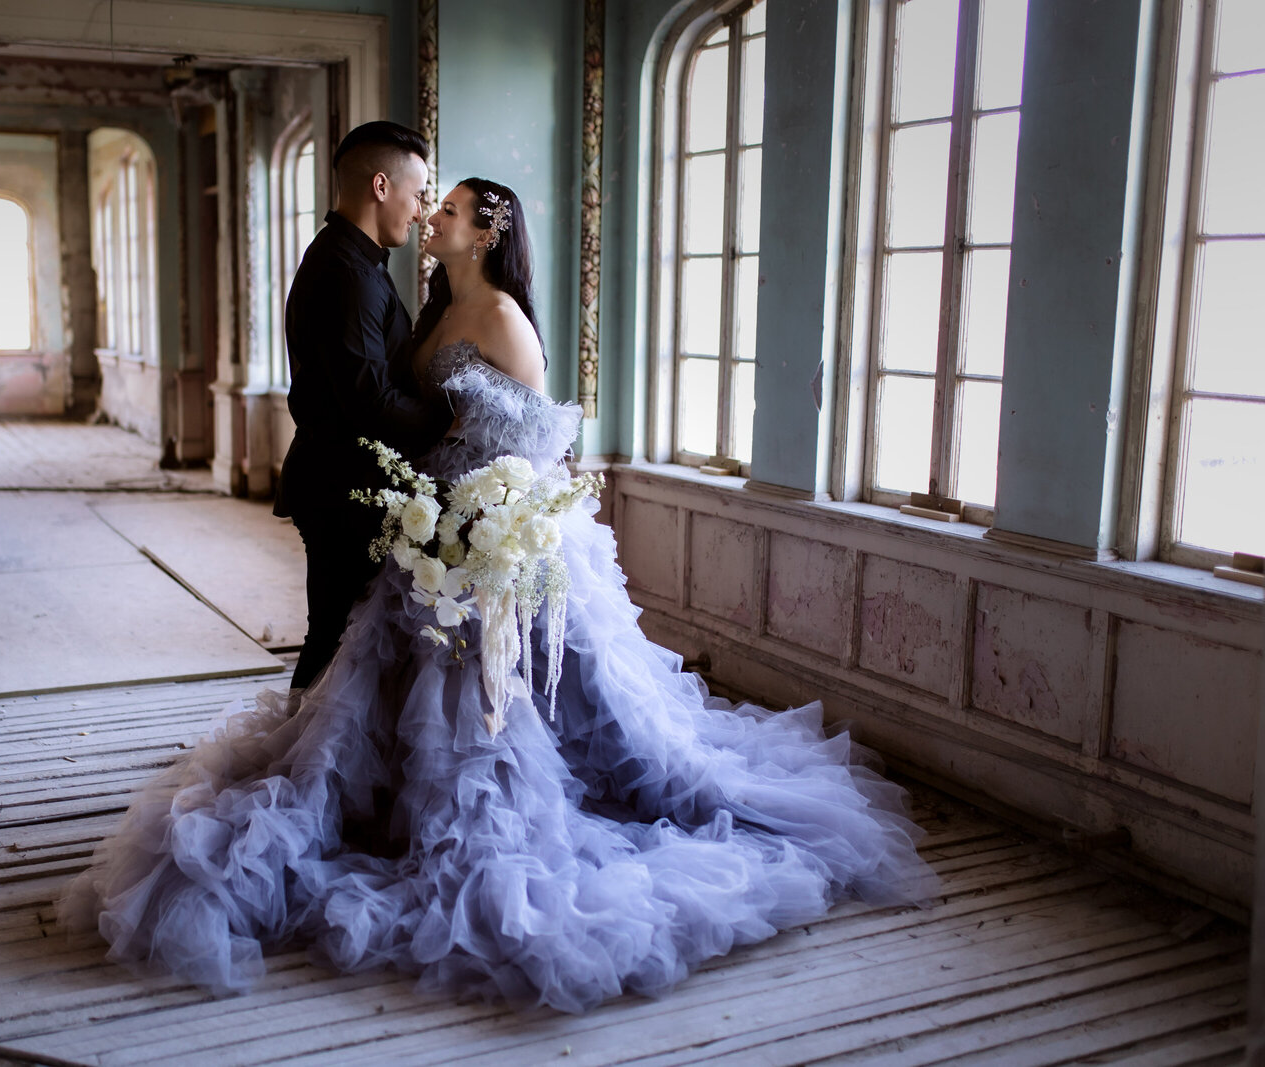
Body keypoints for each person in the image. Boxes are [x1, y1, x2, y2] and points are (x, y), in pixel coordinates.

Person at [63, 178, 938, 1014]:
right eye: (431, 204)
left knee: (497, 708)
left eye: (450, 211)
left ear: (487, 233)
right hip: (429, 530)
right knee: (374, 693)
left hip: (489, 536)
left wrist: (491, 531)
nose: (434, 217)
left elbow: (527, 445)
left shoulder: (505, 321)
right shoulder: (437, 310)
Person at [275, 120, 453, 691]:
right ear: (382, 186)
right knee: (334, 636)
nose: (422, 209)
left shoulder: (355, 260)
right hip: (341, 487)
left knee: (341, 635)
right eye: (418, 191)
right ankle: (303, 767)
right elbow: (369, 401)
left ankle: (316, 762)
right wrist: (452, 424)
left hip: (343, 479)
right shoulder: (344, 272)